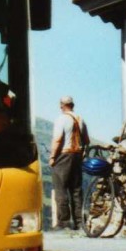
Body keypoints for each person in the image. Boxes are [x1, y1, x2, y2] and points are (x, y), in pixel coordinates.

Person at [49, 95, 89, 231]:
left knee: (60, 188)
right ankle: (79, 222)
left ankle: (64, 222)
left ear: (62, 105)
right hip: (77, 155)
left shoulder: (61, 119)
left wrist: (52, 157)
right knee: (76, 189)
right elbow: (86, 139)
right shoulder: (80, 118)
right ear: (73, 105)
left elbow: (57, 139)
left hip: (64, 155)